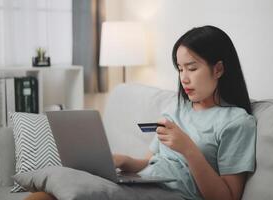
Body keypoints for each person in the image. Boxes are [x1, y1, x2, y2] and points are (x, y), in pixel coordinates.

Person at [24, 25, 256, 200]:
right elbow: (151, 162)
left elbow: (227, 197)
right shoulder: (177, 108)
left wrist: (188, 149)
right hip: (144, 184)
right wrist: (124, 161)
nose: (184, 78)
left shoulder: (236, 122)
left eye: (192, 68)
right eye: (180, 69)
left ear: (219, 69)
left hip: (171, 195)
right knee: (50, 190)